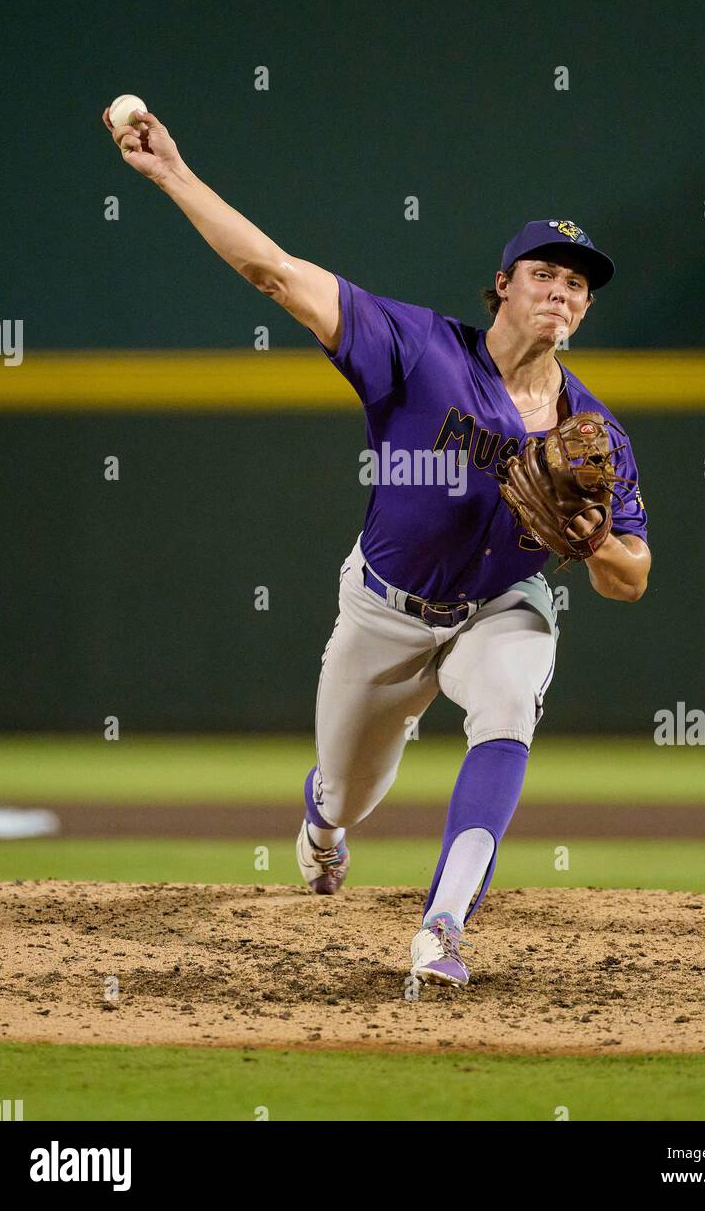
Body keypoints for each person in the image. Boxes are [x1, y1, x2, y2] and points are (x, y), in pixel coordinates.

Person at [102, 105, 651, 988]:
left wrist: (591, 545)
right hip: (385, 610)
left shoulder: (599, 434)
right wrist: (170, 173)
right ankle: (323, 830)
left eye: (578, 286)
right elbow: (275, 273)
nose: (562, 292)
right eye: (545, 273)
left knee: (508, 704)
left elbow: (632, 578)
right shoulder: (416, 348)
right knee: (349, 791)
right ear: (502, 284)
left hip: (502, 606)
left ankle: (443, 926)